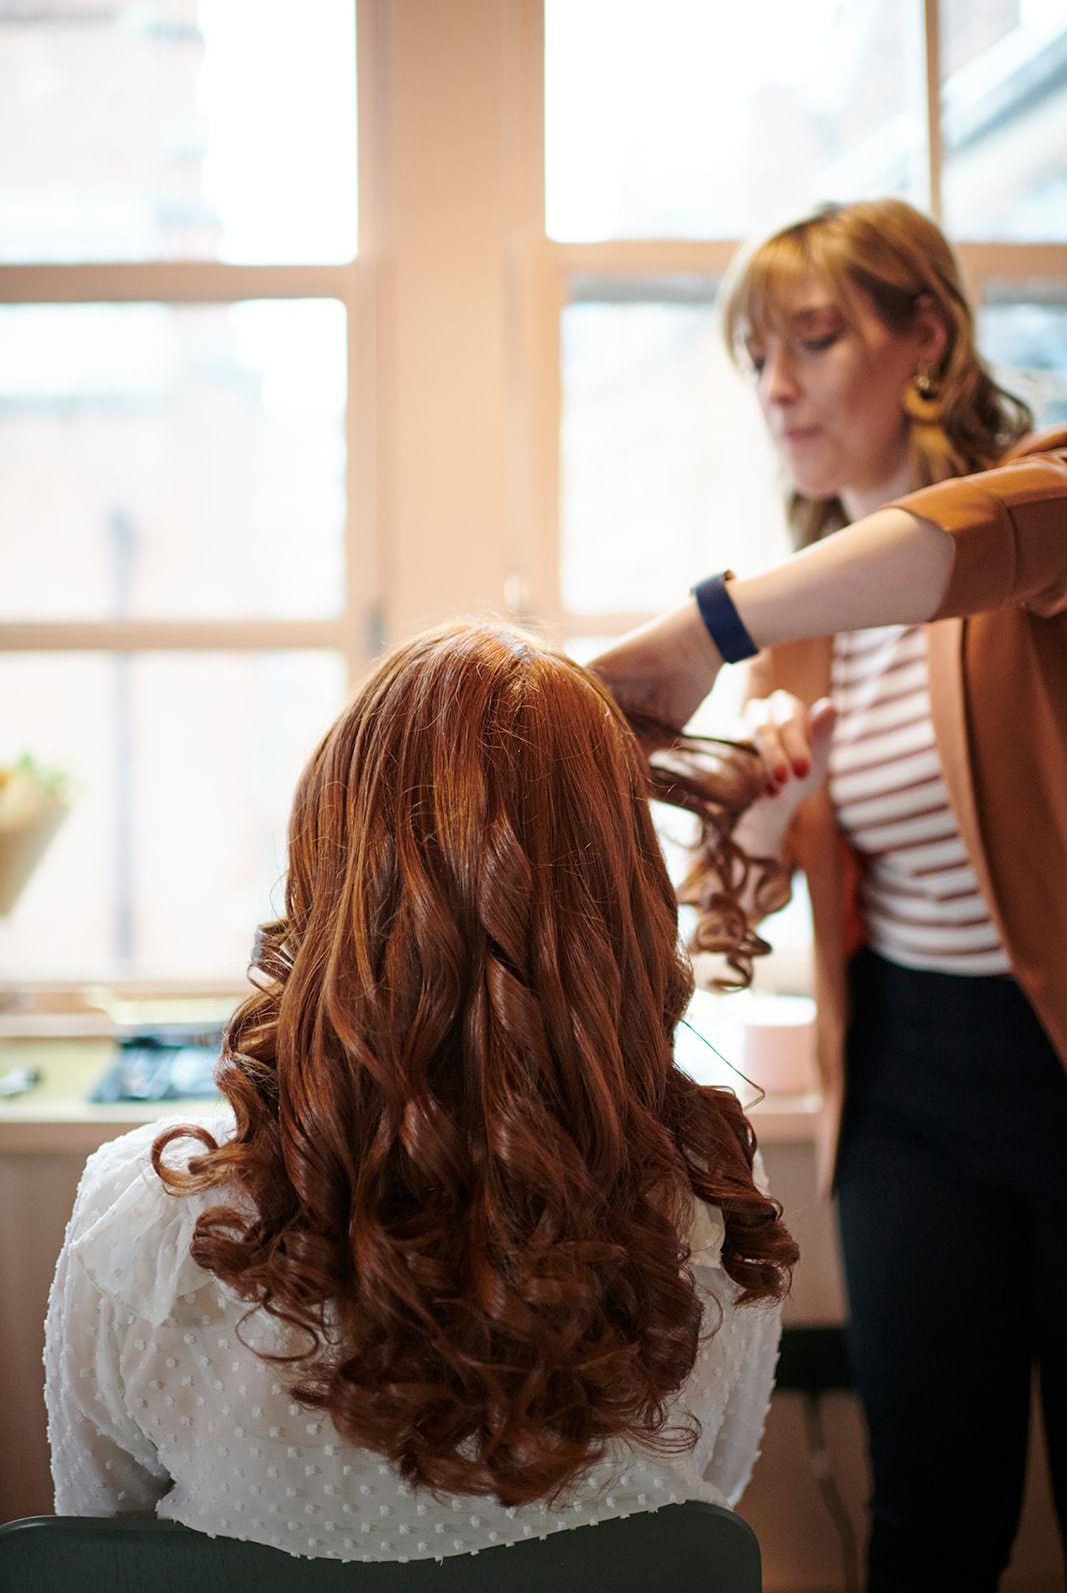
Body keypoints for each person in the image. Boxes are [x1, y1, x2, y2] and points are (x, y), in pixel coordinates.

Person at [45, 623, 795, 1565]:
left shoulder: (151, 1222)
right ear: (622, 881)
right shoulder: (705, 1204)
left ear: (333, 863)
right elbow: (684, 1530)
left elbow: (99, 1554)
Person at [591, 198, 1067, 1591]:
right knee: (925, 1512)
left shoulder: (1034, 513)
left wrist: (708, 620)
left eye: (811, 340)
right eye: (754, 357)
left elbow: (964, 537)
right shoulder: (796, 648)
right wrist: (772, 824)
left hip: (1057, 1072)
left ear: (927, 335)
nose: (776, 386)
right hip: (908, 1093)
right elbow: (730, 915)